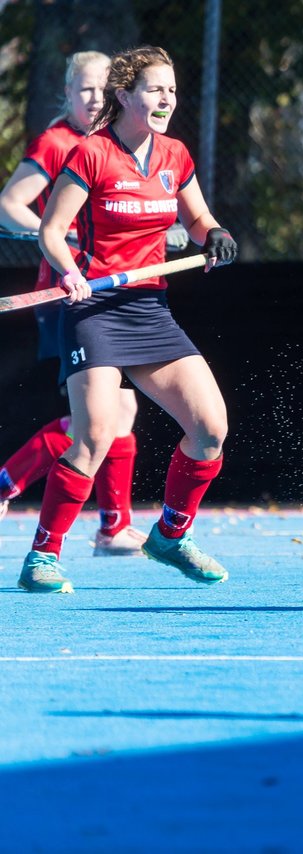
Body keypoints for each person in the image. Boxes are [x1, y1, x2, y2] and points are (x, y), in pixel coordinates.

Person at [18, 45, 237, 593]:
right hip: (91, 307)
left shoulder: (174, 156)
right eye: (155, 90)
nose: (167, 99)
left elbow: (198, 215)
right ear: (125, 96)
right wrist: (68, 272)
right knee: (92, 437)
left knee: (210, 428)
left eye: (171, 90)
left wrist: (215, 234)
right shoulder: (91, 154)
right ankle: (43, 556)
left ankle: (170, 535)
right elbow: (50, 232)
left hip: (148, 307)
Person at [0, 51, 154, 558]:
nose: (94, 98)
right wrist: (66, 235)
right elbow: (10, 203)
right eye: (84, 89)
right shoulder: (59, 142)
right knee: (97, 420)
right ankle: (9, 482)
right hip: (71, 293)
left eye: (102, 88)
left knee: (120, 412)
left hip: (117, 295)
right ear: (66, 94)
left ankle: (113, 526)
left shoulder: (123, 143)